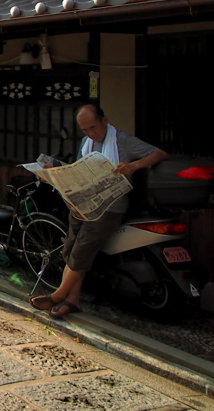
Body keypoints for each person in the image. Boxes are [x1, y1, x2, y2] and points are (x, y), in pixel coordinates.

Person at [30, 102, 168, 319]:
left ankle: (58, 296)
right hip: (82, 204)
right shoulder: (86, 142)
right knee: (70, 251)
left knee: (82, 250)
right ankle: (73, 300)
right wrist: (56, 171)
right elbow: (79, 170)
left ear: (104, 120)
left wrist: (133, 166)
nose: (90, 134)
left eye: (93, 128)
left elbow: (159, 154)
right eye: (84, 130)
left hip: (109, 207)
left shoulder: (122, 140)